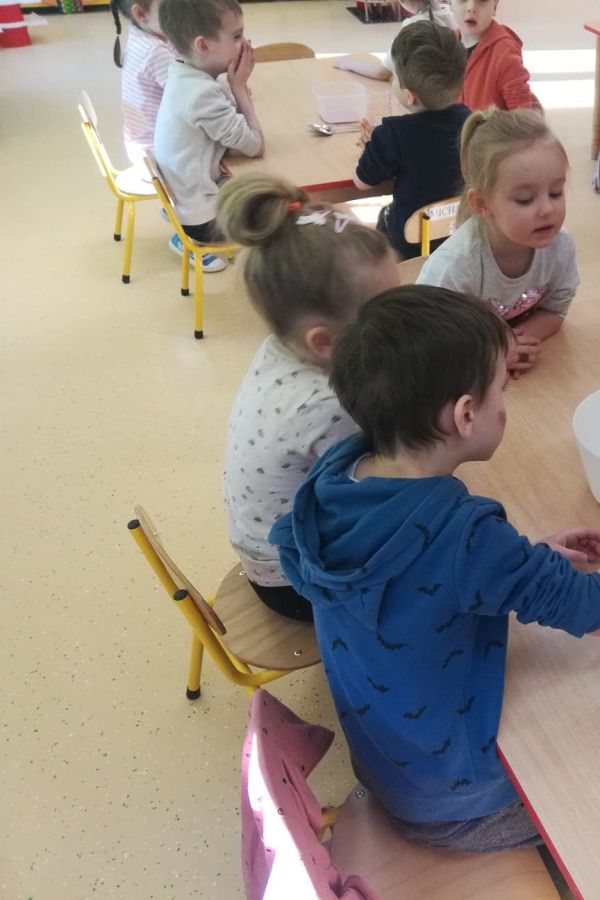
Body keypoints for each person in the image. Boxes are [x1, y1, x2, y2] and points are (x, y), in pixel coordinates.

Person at [269, 286, 600, 850]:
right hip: (455, 807)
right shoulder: (466, 535)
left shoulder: (336, 474)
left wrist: (524, 563)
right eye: (502, 387)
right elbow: (599, 611)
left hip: (387, 761)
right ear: (465, 414)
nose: (506, 402)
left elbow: (421, 580)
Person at [217, 174, 399, 622]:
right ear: (325, 342)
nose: (405, 320)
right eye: (390, 313)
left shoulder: (281, 348)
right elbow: (386, 485)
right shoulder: (328, 406)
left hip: (267, 548)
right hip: (295, 582)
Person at [416, 109, 573, 378]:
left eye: (556, 192)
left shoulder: (560, 248)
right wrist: (492, 353)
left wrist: (516, 344)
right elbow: (427, 343)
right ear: (482, 204)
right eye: (525, 199)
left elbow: (555, 310)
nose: (548, 209)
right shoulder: (455, 267)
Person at [154, 0, 264, 272]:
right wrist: (239, 87)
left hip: (184, 194)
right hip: (203, 217)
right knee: (277, 206)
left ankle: (185, 231)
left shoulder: (182, 73)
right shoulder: (201, 95)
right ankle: (194, 240)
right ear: (203, 45)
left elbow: (229, 122)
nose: (246, 43)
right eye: (236, 36)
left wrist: (234, 92)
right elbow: (255, 146)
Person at [353, 21, 470, 259]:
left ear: (409, 96)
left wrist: (372, 148)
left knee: (384, 216)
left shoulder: (392, 133)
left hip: (411, 246)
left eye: (394, 76)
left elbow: (361, 183)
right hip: (459, 236)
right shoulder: (468, 119)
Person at [110, 0, 175, 169]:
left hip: (139, 146)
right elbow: (192, 96)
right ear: (140, 14)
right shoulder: (155, 52)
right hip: (156, 154)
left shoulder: (140, 35)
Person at [450, 0, 538, 110]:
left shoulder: (505, 51)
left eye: (482, 0)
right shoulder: (445, 45)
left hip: (490, 121)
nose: (471, 8)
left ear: (495, 6)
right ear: (450, 2)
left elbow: (522, 113)